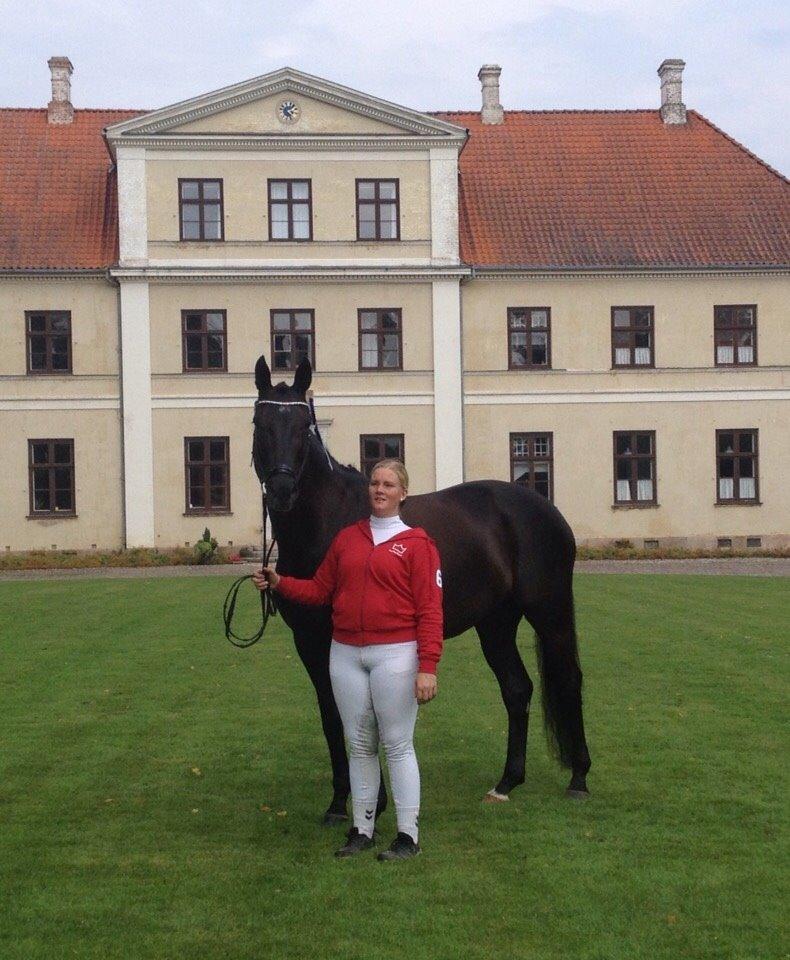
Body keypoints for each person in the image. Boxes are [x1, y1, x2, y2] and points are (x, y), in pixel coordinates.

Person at [253, 459, 443, 861]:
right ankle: (362, 828)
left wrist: (428, 665)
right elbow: (321, 591)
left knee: (397, 745)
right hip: (346, 654)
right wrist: (280, 582)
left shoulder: (418, 544)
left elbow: (430, 610)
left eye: (389, 484)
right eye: (374, 482)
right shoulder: (347, 540)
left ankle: (408, 835)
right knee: (359, 745)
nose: (379, 489)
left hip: (395, 654)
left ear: (402, 493)